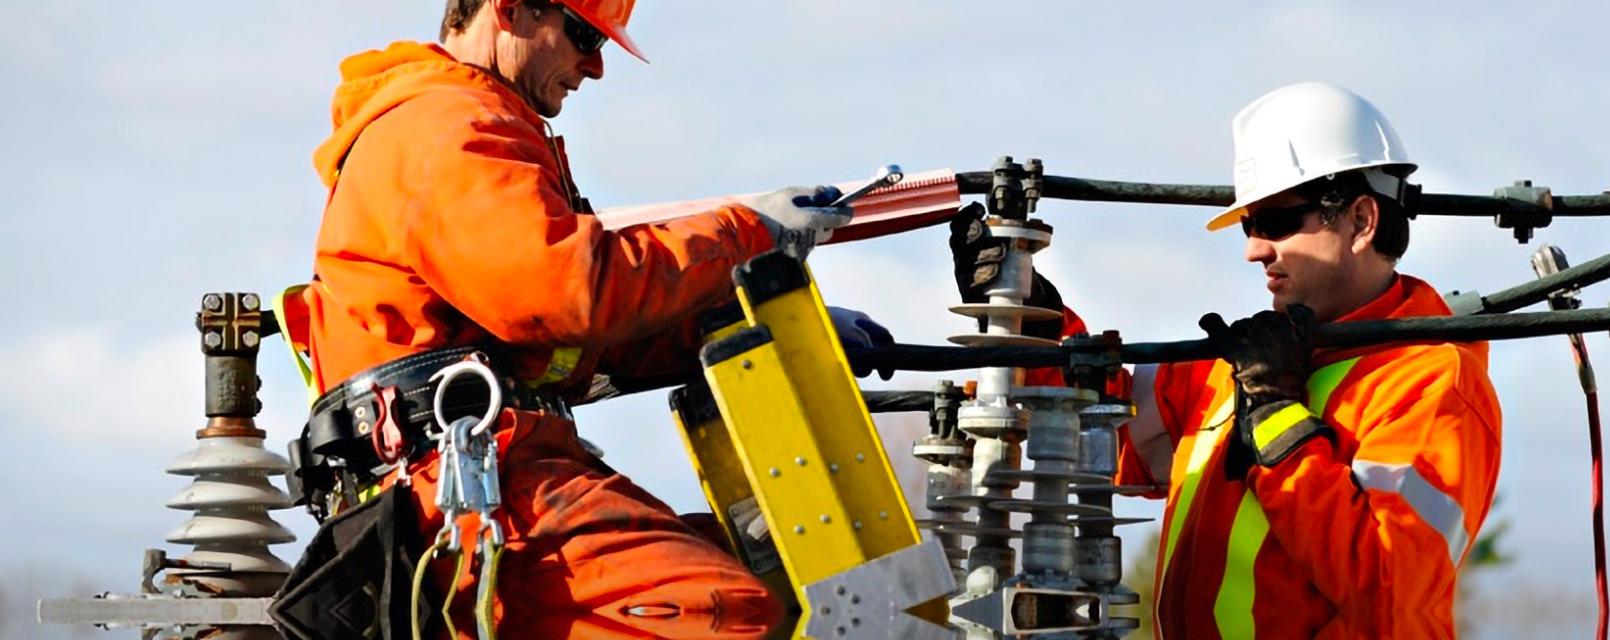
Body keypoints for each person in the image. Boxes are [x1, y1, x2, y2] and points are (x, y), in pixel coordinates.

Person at [282, 1, 887, 636]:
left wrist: (755, 323)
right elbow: (562, 293)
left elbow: (585, 344)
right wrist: (745, 235)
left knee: (791, 582)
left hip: (498, 472)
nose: (594, 66)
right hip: (463, 492)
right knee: (722, 612)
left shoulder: (478, 126)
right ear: (510, 10)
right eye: (582, 35)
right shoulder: (444, 127)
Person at [951, 82, 1502, 638]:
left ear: (1361, 221)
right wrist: (1033, 321)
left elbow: (1388, 596)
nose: (1253, 250)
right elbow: (1100, 436)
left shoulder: (1435, 385)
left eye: (1277, 223)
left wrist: (1276, 418)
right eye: (1248, 226)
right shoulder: (1239, 366)